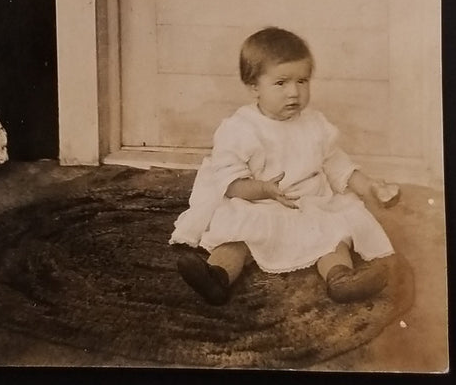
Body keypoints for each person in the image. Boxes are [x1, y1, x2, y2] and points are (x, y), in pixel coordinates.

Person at [170, 27, 400, 306]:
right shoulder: (240, 128)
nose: (294, 92)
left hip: (308, 204)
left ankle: (340, 279)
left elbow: (338, 165)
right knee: (236, 238)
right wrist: (263, 189)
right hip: (257, 204)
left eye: (302, 81)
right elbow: (230, 184)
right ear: (254, 85)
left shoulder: (315, 124)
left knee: (335, 236)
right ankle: (217, 276)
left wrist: (370, 186)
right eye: (281, 83)